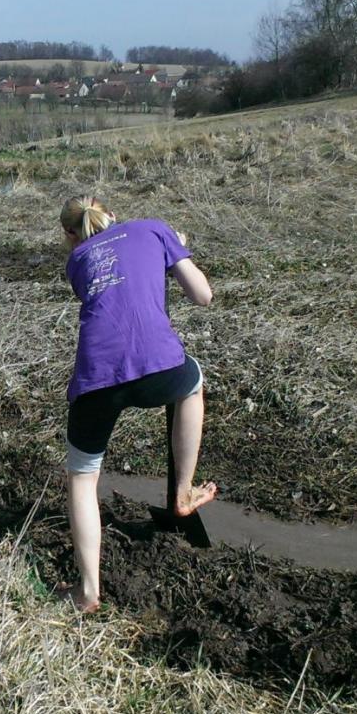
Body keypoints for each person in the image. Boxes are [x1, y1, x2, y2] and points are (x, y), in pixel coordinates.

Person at [56, 196, 219, 613]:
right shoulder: (154, 227)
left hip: (96, 379)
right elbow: (203, 296)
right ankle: (182, 492)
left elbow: (111, 294)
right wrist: (175, 248)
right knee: (193, 383)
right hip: (158, 368)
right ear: (112, 213)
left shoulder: (75, 262)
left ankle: (89, 591)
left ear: (70, 235)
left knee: (82, 478)